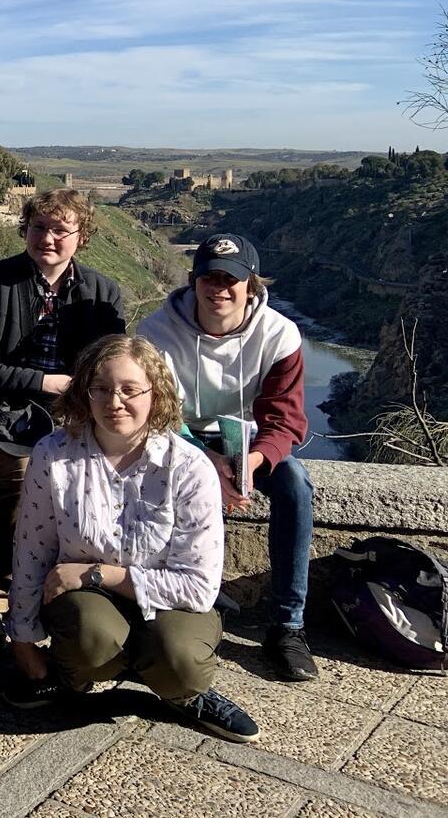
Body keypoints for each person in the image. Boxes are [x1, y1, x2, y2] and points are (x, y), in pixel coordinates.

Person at [5, 334, 261, 743]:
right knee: (90, 634)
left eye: (130, 390)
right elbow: (31, 551)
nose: (114, 402)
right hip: (89, 606)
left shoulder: (189, 467)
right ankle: (74, 675)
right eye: (101, 389)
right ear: (84, 393)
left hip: (166, 602)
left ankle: (183, 693)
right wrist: (23, 641)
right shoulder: (53, 455)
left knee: (181, 658)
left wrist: (97, 574)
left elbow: (198, 587)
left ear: (155, 394)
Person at [137, 233, 318, 682]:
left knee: (295, 484)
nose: (218, 288)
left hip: (247, 443)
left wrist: (252, 462)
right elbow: (156, 413)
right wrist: (205, 464)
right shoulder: (156, 333)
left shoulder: (280, 335)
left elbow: (285, 420)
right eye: (208, 277)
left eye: (230, 280)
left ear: (250, 286)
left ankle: (288, 626)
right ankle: (189, 597)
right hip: (177, 437)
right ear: (194, 281)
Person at [0, 188, 126, 584]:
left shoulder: (103, 293)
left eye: (60, 230)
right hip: (2, 415)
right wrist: (43, 382)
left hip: (75, 414)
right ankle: (0, 576)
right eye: (38, 227)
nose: (47, 238)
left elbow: (112, 361)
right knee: (22, 471)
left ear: (82, 236)